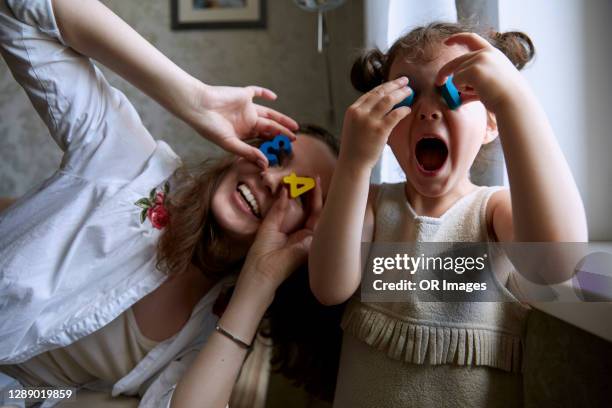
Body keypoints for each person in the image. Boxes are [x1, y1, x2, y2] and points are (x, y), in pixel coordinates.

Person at [0, 0, 338, 407]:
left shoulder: (212, 326)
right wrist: (195, 99)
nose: (269, 177)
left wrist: (261, 280)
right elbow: (16, 11)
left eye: (298, 189)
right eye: (277, 154)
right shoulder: (131, 165)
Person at [309, 22, 588, 407]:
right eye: (407, 97)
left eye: (452, 94)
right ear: (386, 128)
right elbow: (329, 287)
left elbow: (558, 262)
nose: (426, 111)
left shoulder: (494, 211)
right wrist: (354, 162)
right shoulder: (370, 204)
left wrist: (514, 102)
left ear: (491, 123)